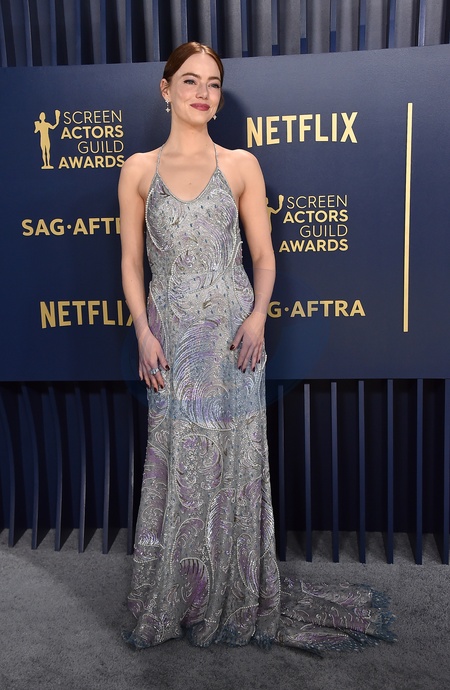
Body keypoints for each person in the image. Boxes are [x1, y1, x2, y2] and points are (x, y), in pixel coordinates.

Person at [119, 42, 395, 652]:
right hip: (171, 342)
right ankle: (180, 591)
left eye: (213, 84)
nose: (202, 93)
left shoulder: (241, 164)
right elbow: (132, 262)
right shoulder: (138, 169)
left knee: (235, 466)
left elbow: (264, 257)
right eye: (189, 81)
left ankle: (234, 589)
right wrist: (142, 329)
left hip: (234, 342)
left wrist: (258, 320)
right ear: (165, 89)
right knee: (180, 463)